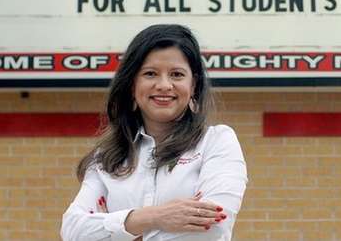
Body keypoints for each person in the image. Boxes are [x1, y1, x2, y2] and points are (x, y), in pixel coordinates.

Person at [60, 24, 248, 241]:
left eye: (177, 74)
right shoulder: (107, 157)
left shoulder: (216, 142)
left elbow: (213, 226)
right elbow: (73, 231)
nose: (164, 85)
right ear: (132, 84)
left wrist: (118, 229)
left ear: (193, 84)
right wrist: (155, 217)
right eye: (150, 74)